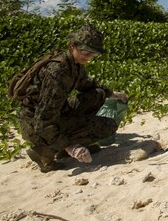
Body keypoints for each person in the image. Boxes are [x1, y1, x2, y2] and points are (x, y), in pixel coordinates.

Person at [17, 24, 127, 172]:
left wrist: (111, 93)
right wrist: (70, 146)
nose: (88, 57)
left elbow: (86, 84)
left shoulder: (73, 64)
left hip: (54, 111)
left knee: (98, 94)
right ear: (72, 45)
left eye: (93, 54)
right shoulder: (57, 72)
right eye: (85, 52)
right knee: (107, 126)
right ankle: (45, 152)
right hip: (35, 124)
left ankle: (65, 144)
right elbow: (43, 120)